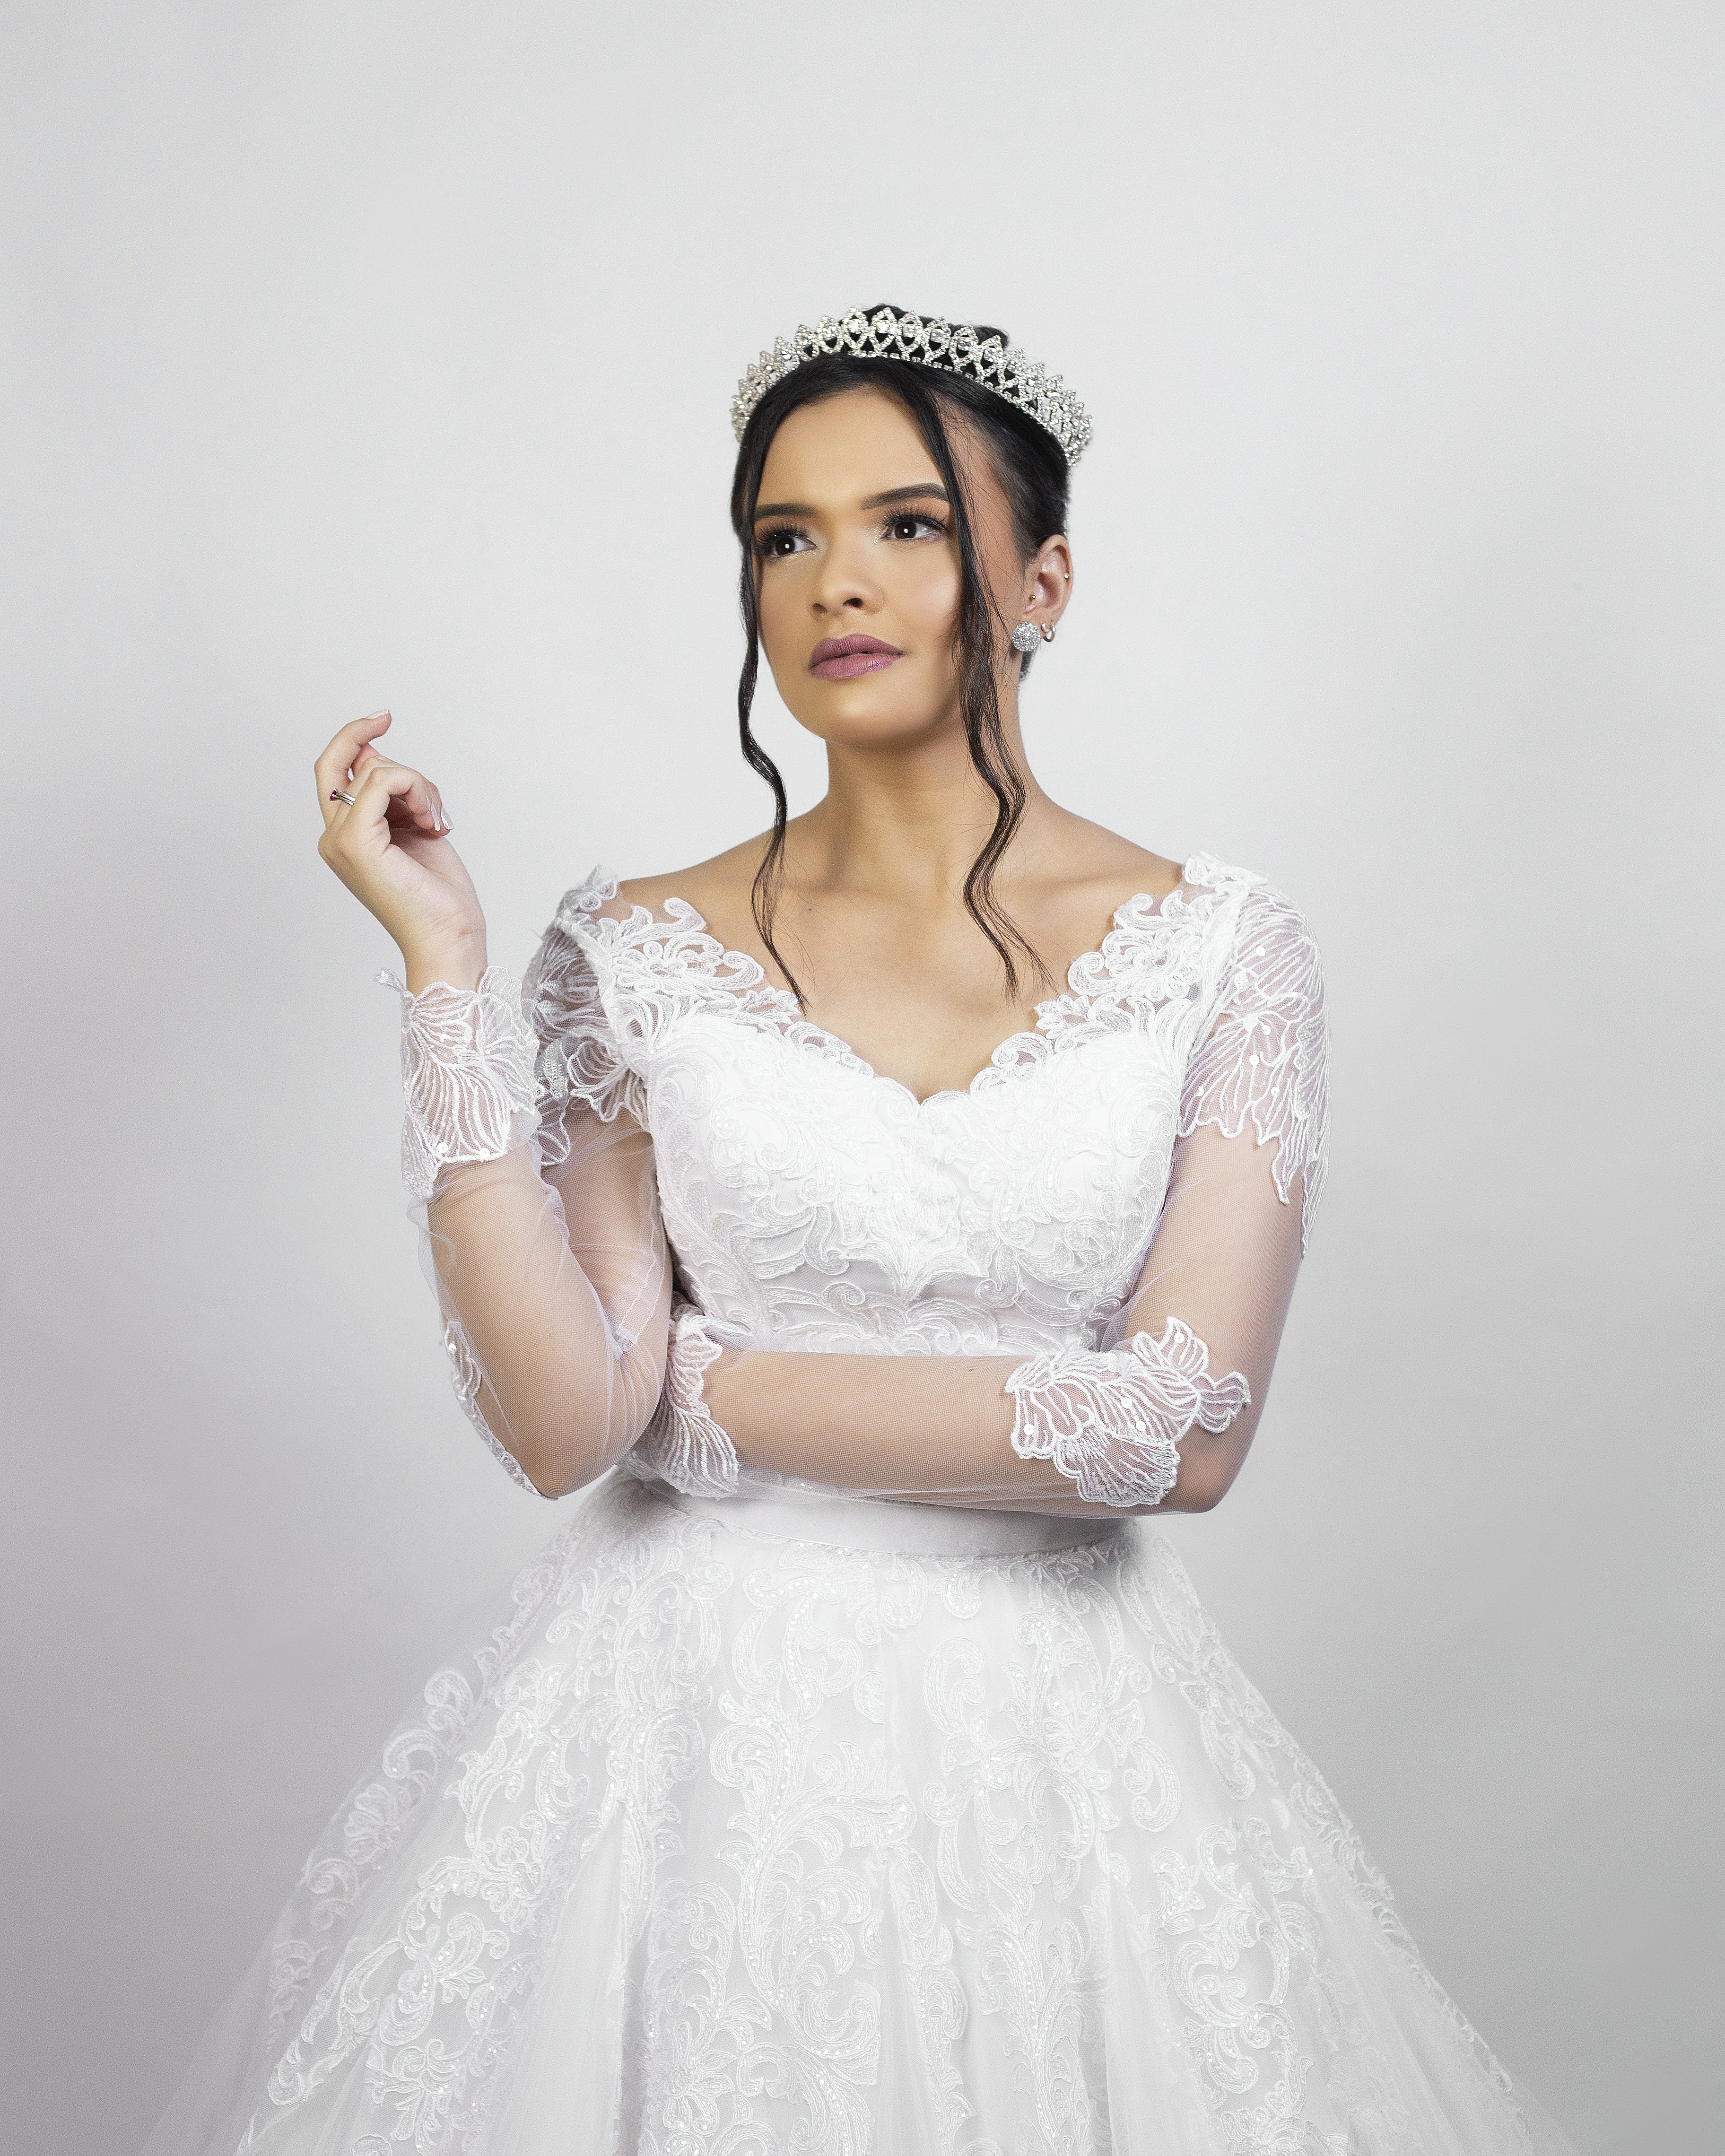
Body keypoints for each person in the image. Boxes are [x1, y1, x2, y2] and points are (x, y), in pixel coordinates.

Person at [145, 305, 1573, 2153]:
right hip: (684, 1756)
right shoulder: (627, 945)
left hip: (1067, 1751)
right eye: (784, 535)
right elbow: (568, 1423)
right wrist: (448, 977)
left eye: (907, 524)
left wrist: (715, 1396)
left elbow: (1185, 1429)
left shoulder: (1228, 947)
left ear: (1040, 575)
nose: (837, 579)